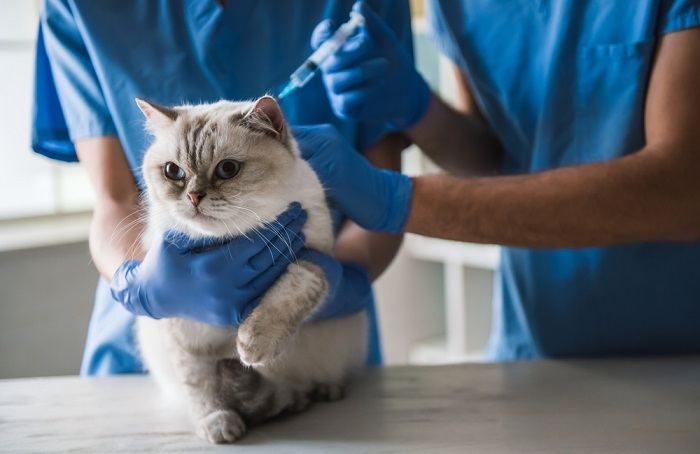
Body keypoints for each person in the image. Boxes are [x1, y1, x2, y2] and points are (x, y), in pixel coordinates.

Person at [298, 0, 700, 360]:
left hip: (677, 356)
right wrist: (419, 109)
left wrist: (398, 202)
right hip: (534, 345)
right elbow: (492, 157)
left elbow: (683, 193)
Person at [33, 0, 415, 374]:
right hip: (161, 335)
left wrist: (324, 285)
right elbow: (114, 199)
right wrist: (141, 286)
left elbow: (380, 201)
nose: (197, 193)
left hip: (314, 333)